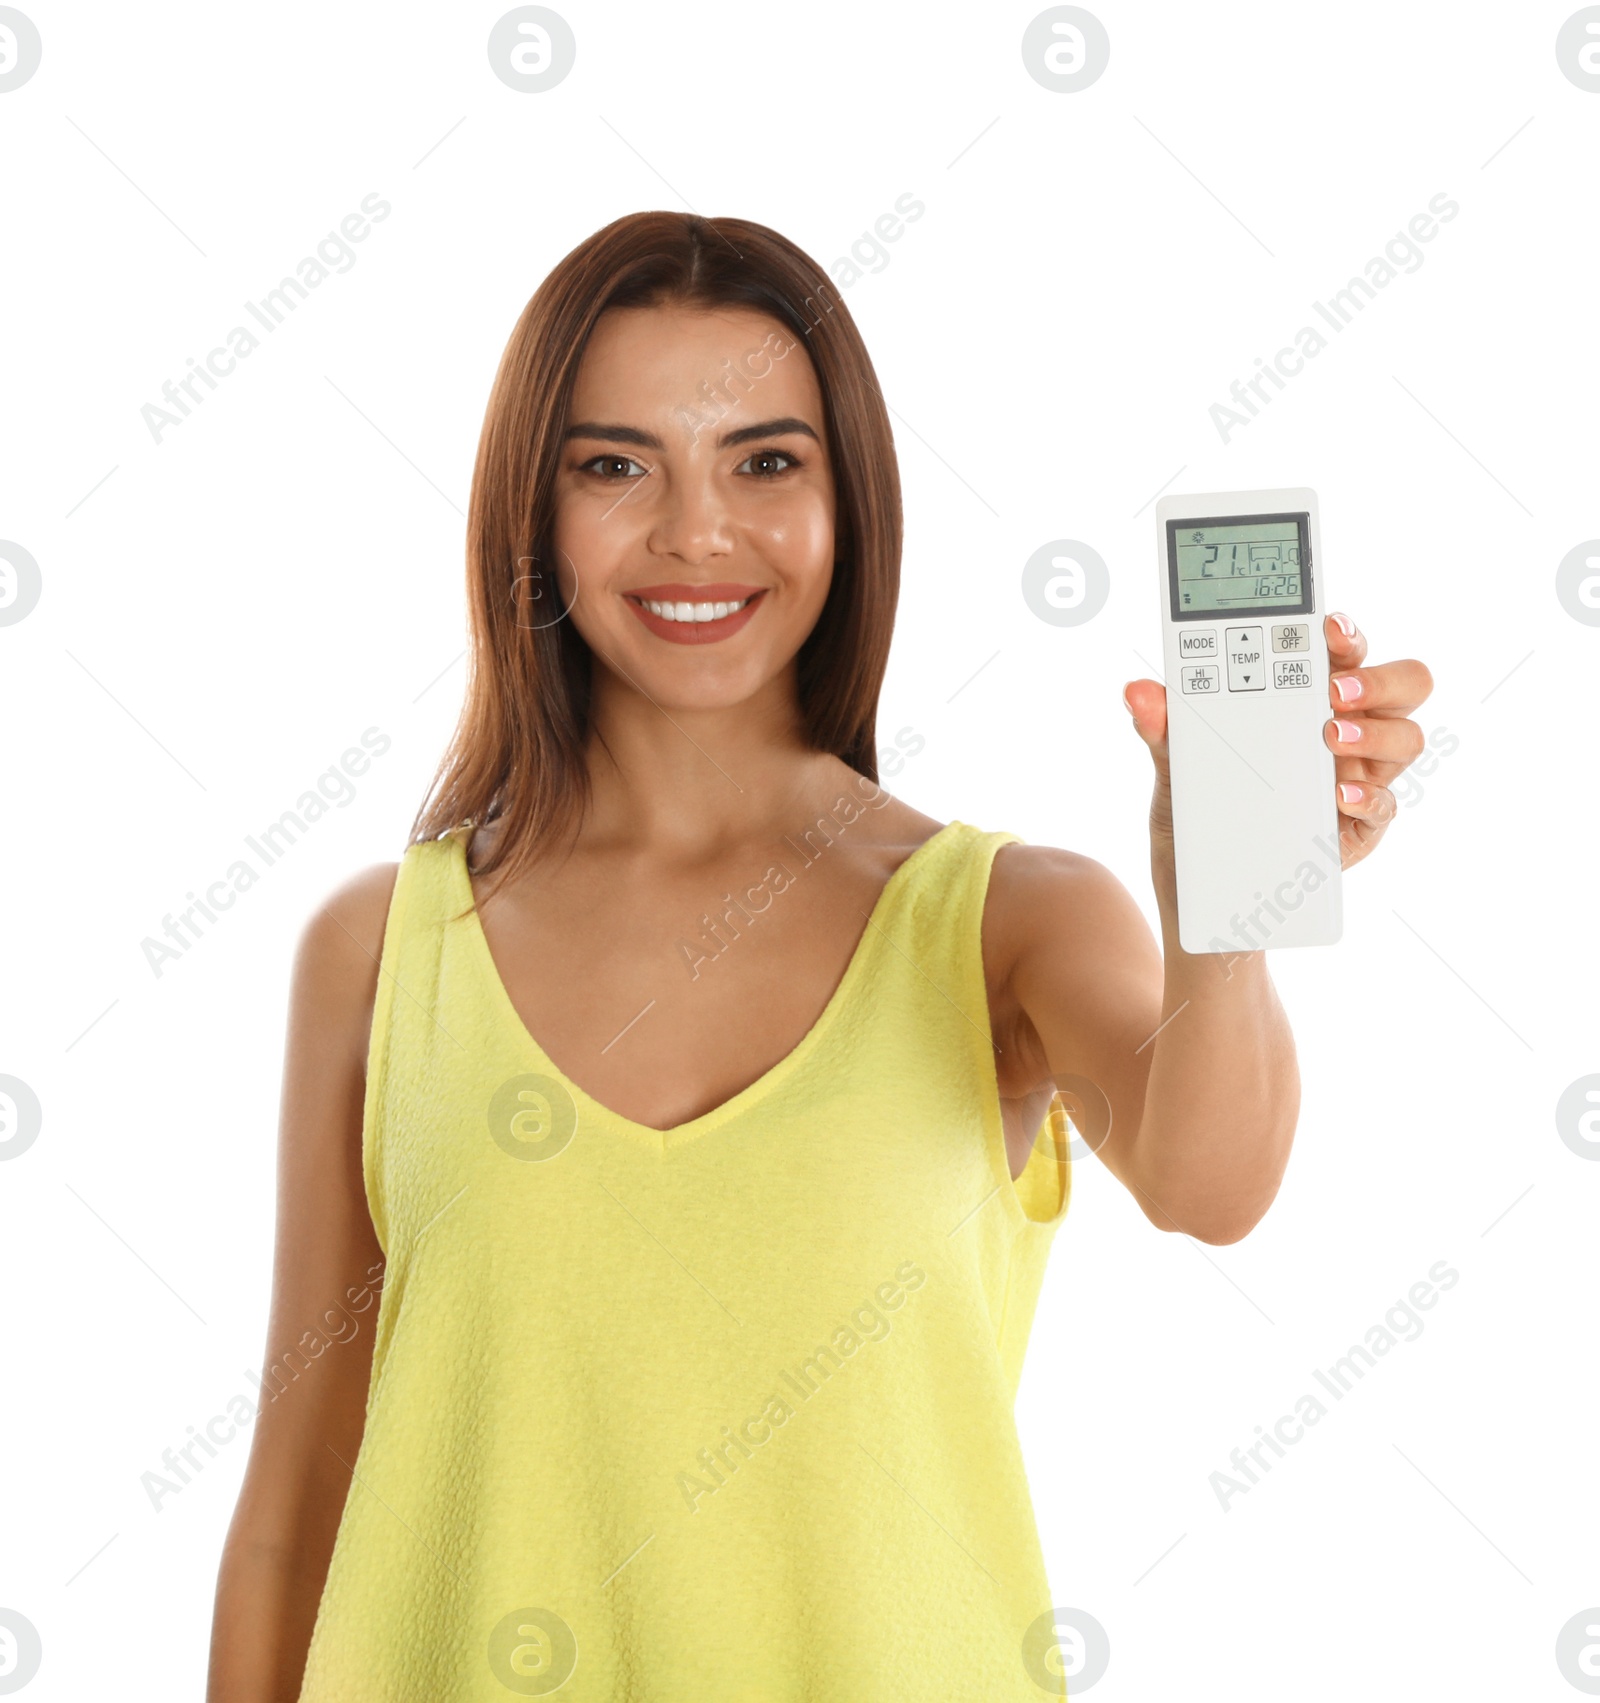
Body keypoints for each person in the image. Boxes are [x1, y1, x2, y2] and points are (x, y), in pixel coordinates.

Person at [206, 211, 1433, 1702]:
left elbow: (1213, 1184)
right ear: (531, 512)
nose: (694, 532)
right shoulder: (386, 949)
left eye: (765, 462)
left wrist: (1220, 905)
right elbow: (297, 1494)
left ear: (850, 504)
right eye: (615, 465)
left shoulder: (1008, 918)